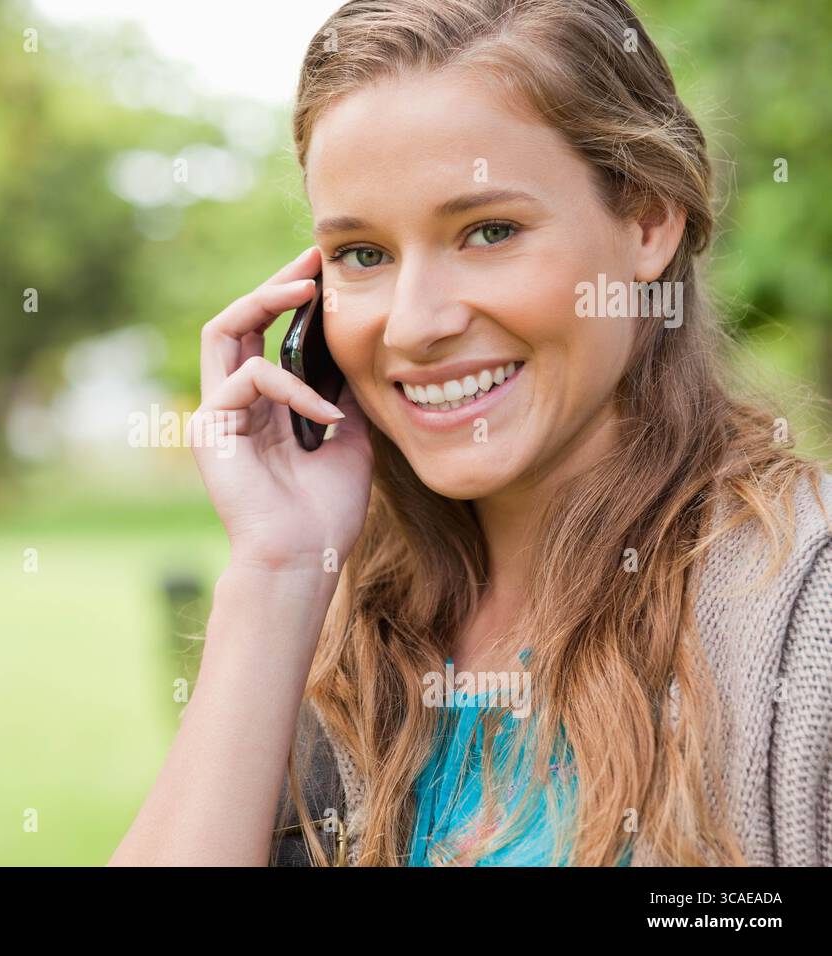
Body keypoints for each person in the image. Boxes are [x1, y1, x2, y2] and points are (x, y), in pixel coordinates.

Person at [109, 0, 832, 867]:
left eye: (489, 232)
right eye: (362, 254)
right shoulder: (338, 636)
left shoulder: (806, 611)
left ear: (648, 223)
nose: (413, 326)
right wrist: (277, 574)